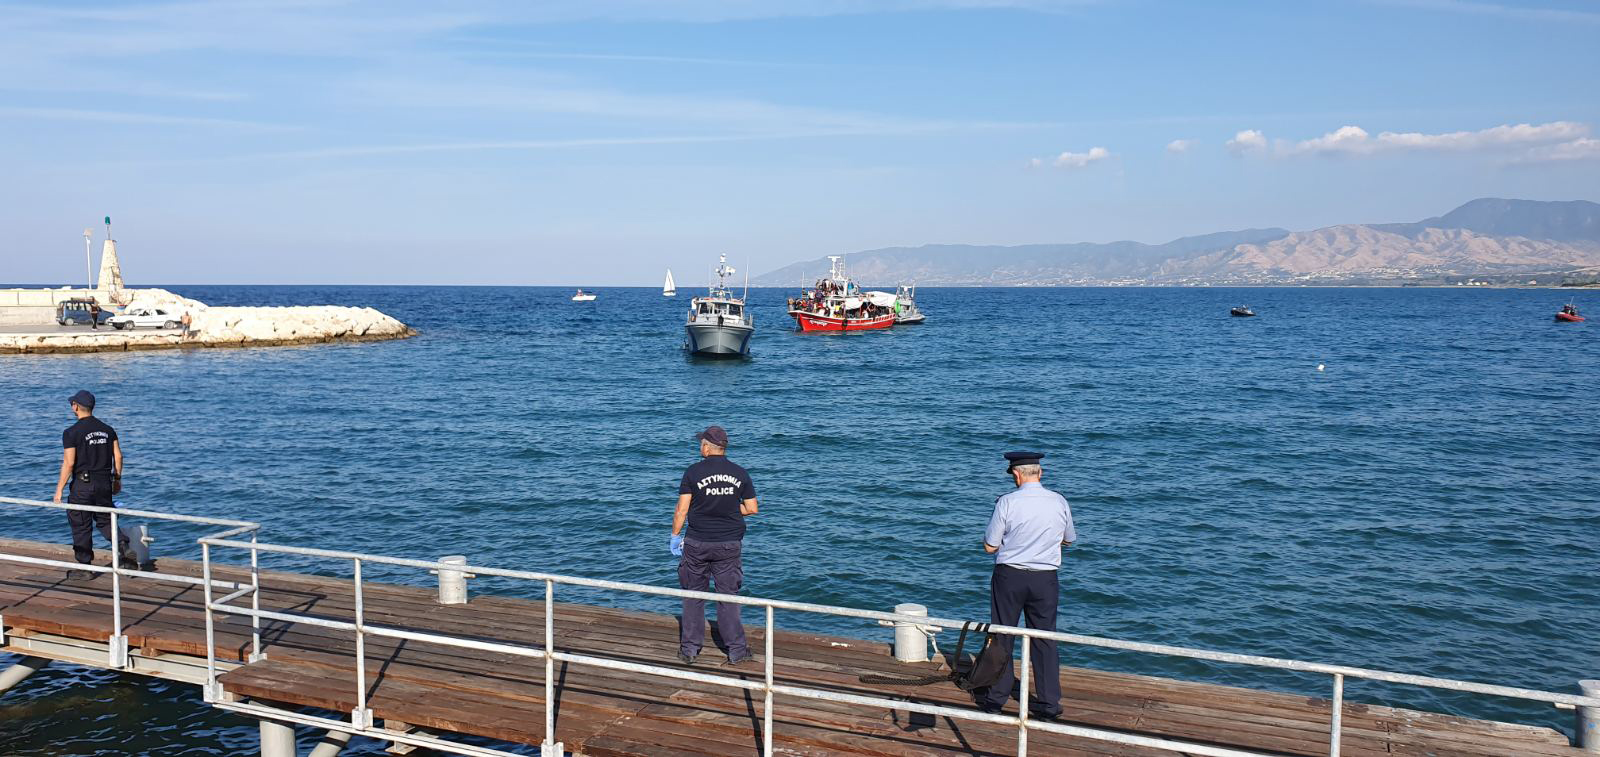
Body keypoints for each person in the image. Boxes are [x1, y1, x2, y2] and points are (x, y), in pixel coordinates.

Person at [978, 450, 1076, 719]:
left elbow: (990, 546)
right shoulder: (1059, 501)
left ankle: (996, 698)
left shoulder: (1007, 502)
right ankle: (1049, 704)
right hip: (1045, 578)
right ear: (1040, 473)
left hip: (1010, 576)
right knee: (1045, 639)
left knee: (1002, 635)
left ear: (1016, 475)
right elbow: (1069, 538)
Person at [670, 425, 759, 666]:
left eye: (701, 443)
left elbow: (682, 509)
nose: (700, 447)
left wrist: (675, 536)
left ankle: (690, 650)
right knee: (728, 597)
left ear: (708, 447)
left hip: (697, 543)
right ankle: (736, 651)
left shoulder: (693, 472)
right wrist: (730, 509)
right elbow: (752, 508)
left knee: (693, 595)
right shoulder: (740, 473)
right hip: (729, 544)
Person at [53, 390, 133, 580]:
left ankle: (85, 567)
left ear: (75, 407)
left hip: (83, 484)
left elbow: (69, 463)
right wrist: (117, 480)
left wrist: (59, 491)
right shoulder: (108, 429)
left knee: (81, 524)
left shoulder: (71, 432)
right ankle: (124, 547)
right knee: (105, 519)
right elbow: (119, 456)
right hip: (104, 482)